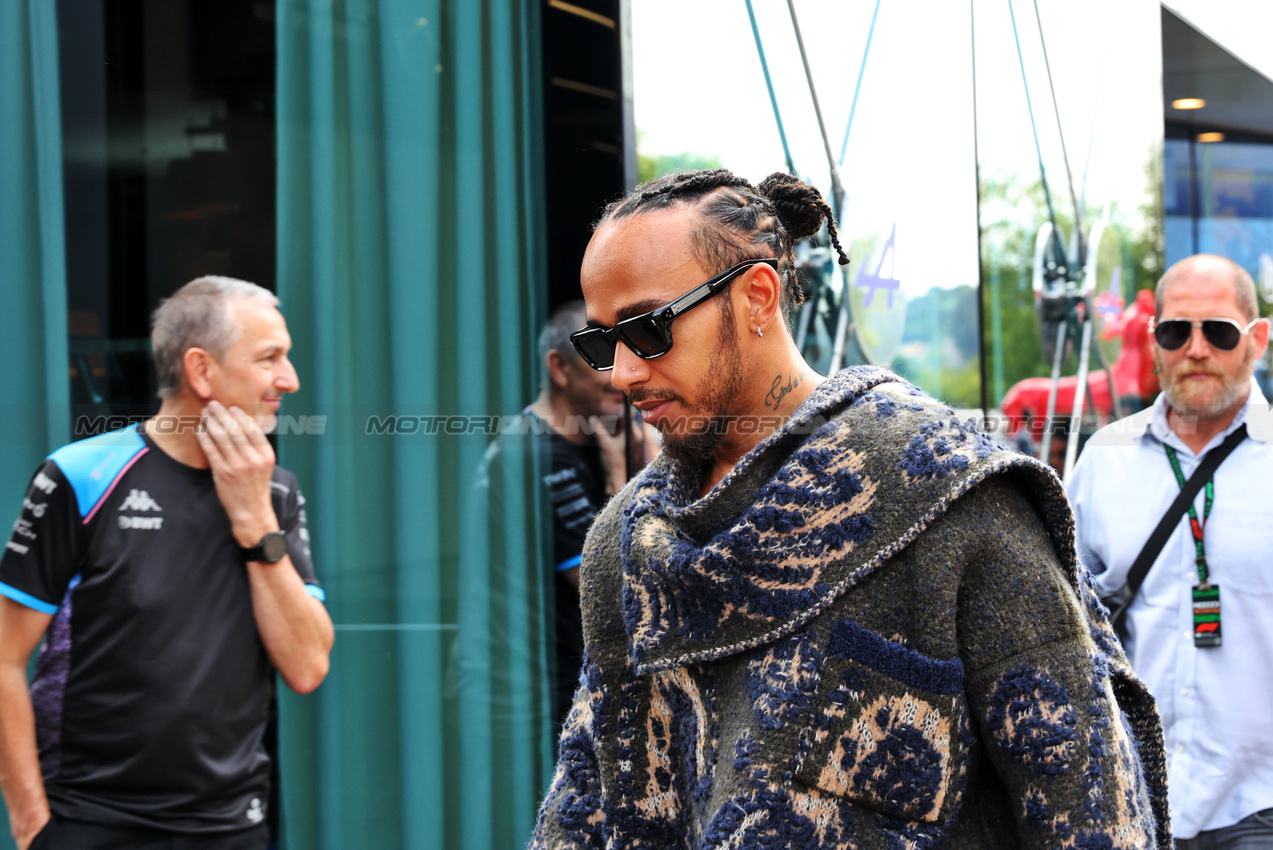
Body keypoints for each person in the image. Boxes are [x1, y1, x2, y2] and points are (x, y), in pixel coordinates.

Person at [529, 169, 1169, 848]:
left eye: (648, 328)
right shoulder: (626, 543)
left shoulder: (947, 498)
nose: (623, 372)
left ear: (755, 295)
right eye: (600, 344)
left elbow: (1091, 805)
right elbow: (584, 802)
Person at [0, 276, 334, 850]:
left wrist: (255, 522)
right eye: (269, 359)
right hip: (92, 822)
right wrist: (32, 824)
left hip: (233, 828)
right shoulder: (82, 476)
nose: (290, 380)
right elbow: (4, 658)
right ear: (201, 371)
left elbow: (307, 666)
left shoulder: (275, 493)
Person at [1068, 254, 1272, 847]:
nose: (1197, 349)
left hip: (1259, 805)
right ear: (1155, 338)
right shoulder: (1104, 459)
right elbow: (1062, 616)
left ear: (1256, 340)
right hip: (1133, 803)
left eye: (1220, 331)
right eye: (1177, 330)